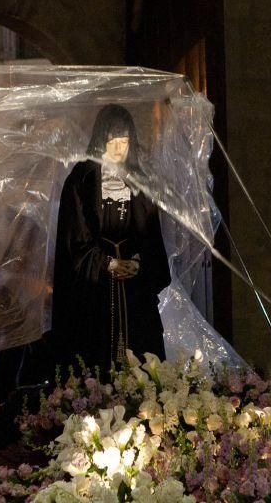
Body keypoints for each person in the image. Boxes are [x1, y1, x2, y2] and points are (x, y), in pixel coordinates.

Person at [51, 104, 170, 374]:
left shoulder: (139, 180)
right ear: (101, 139)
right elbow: (74, 236)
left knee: (142, 357)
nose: (119, 148)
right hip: (95, 289)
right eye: (113, 140)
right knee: (95, 358)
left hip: (135, 289)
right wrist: (108, 264)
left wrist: (139, 264)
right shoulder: (82, 179)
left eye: (125, 141)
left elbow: (151, 235)